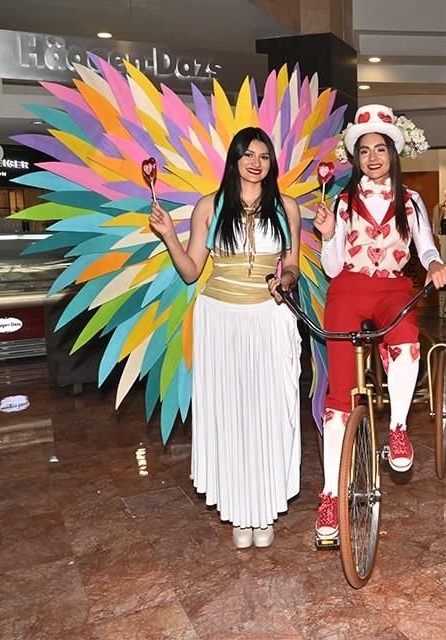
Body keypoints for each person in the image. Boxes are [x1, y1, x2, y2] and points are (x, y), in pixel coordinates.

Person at [149, 127, 302, 549]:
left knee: (271, 412)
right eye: (248, 154)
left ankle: (265, 507)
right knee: (231, 413)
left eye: (264, 155)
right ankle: (239, 512)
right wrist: (168, 236)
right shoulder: (208, 207)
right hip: (220, 320)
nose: (256, 162)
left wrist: (283, 280)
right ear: (234, 159)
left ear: (272, 163)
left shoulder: (287, 207)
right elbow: (191, 271)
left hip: (270, 319)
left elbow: (294, 267)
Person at [312, 104, 446, 541]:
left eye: (380, 149)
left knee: (407, 339)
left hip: (393, 288)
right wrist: (330, 233)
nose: (373, 157)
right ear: (355, 158)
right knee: (337, 396)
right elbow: (332, 268)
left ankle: (397, 429)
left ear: (393, 152)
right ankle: (331, 497)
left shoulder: (410, 201)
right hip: (349, 288)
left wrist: (435, 265)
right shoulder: (342, 201)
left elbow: (425, 248)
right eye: (364, 150)